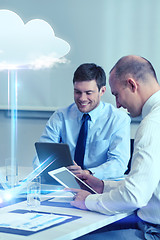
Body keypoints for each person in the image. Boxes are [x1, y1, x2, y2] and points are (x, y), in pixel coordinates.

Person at [71, 55, 160, 239]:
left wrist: (88, 201)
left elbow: (135, 196)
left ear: (132, 85)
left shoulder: (151, 124)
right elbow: (146, 184)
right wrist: (103, 186)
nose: (118, 104)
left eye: (116, 95)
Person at [33, 63, 131, 180]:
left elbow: (119, 164)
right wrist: (57, 172)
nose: (82, 98)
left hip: (101, 186)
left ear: (102, 91)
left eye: (88, 93)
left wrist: (87, 173)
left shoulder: (118, 119)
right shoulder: (60, 116)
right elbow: (40, 158)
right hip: (66, 184)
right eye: (77, 92)